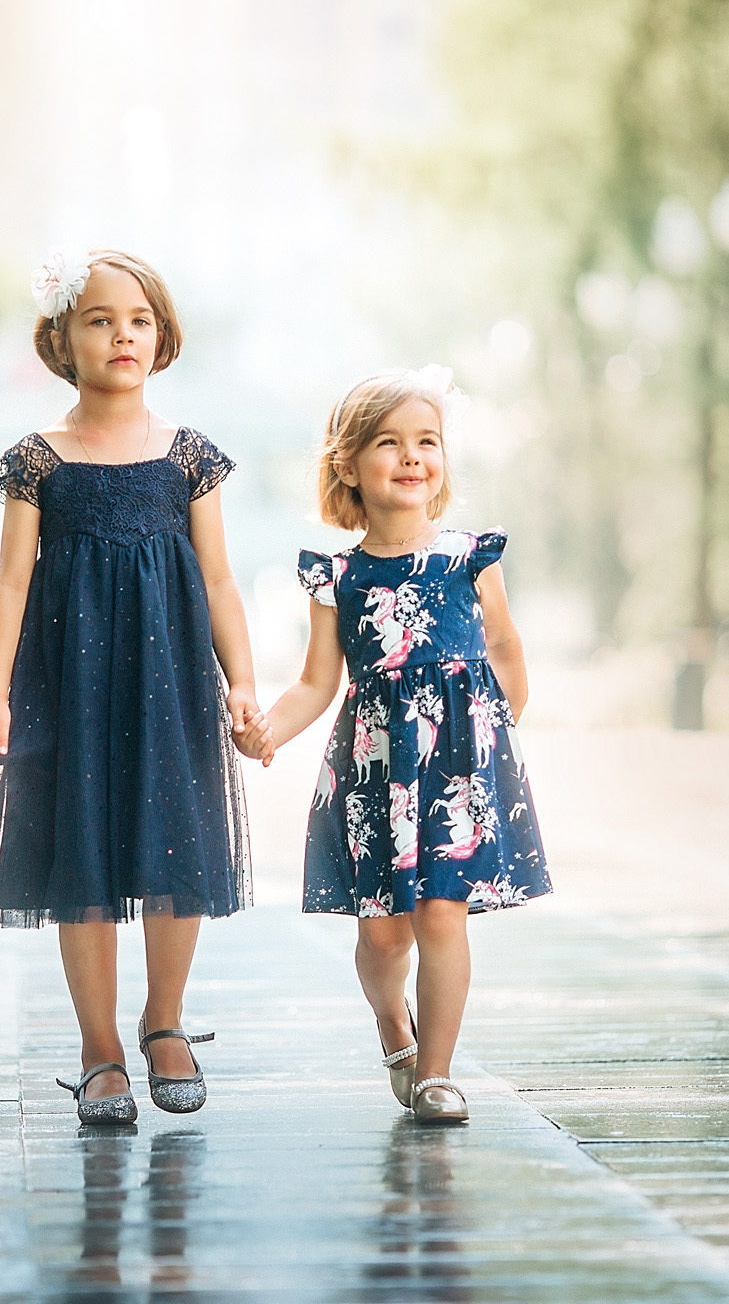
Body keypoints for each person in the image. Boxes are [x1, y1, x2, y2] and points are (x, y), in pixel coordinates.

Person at [0, 249, 265, 1126]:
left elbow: (222, 580)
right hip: (71, 682)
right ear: (62, 338)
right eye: (99, 318)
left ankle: (165, 1019)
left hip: (170, 682)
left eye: (139, 320)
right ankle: (99, 1049)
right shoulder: (38, 461)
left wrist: (242, 682)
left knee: (176, 846)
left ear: (161, 339)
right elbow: (11, 583)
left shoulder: (188, 456)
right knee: (79, 853)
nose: (122, 334)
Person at [236, 366, 551, 1125]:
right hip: (378, 768)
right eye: (389, 443)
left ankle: (439, 1072)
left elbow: (505, 647)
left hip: (456, 766)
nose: (412, 457)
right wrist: (267, 730)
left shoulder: (472, 556)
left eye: (427, 442)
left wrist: (496, 730)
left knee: (443, 913)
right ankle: (392, 1024)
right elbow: (317, 681)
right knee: (382, 935)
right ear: (348, 463)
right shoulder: (335, 576)